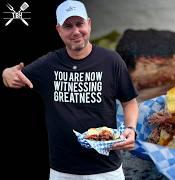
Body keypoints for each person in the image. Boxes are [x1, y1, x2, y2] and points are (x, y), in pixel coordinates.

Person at [2, 0, 139, 179]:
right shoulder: (48, 64)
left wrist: (131, 128)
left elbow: (129, 102)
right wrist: (5, 73)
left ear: (89, 24)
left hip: (107, 170)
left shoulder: (112, 61)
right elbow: (14, 76)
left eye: (79, 24)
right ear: (59, 30)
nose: (75, 31)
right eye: (68, 26)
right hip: (62, 171)